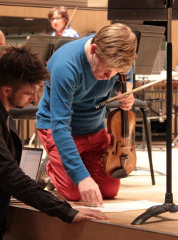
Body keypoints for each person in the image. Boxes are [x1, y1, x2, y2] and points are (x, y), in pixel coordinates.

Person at [0, 46, 107, 240]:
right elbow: (9, 174)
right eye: (29, 93)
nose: (34, 99)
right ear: (7, 90)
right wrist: (65, 210)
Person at [36, 23, 137, 206]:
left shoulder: (118, 57)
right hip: (59, 131)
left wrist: (126, 90)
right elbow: (60, 127)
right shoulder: (65, 67)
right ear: (93, 50)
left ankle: (69, 163)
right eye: (107, 71)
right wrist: (82, 177)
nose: (110, 76)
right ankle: (50, 167)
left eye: (115, 72)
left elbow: (127, 77)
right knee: (74, 193)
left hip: (95, 129)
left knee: (109, 191)